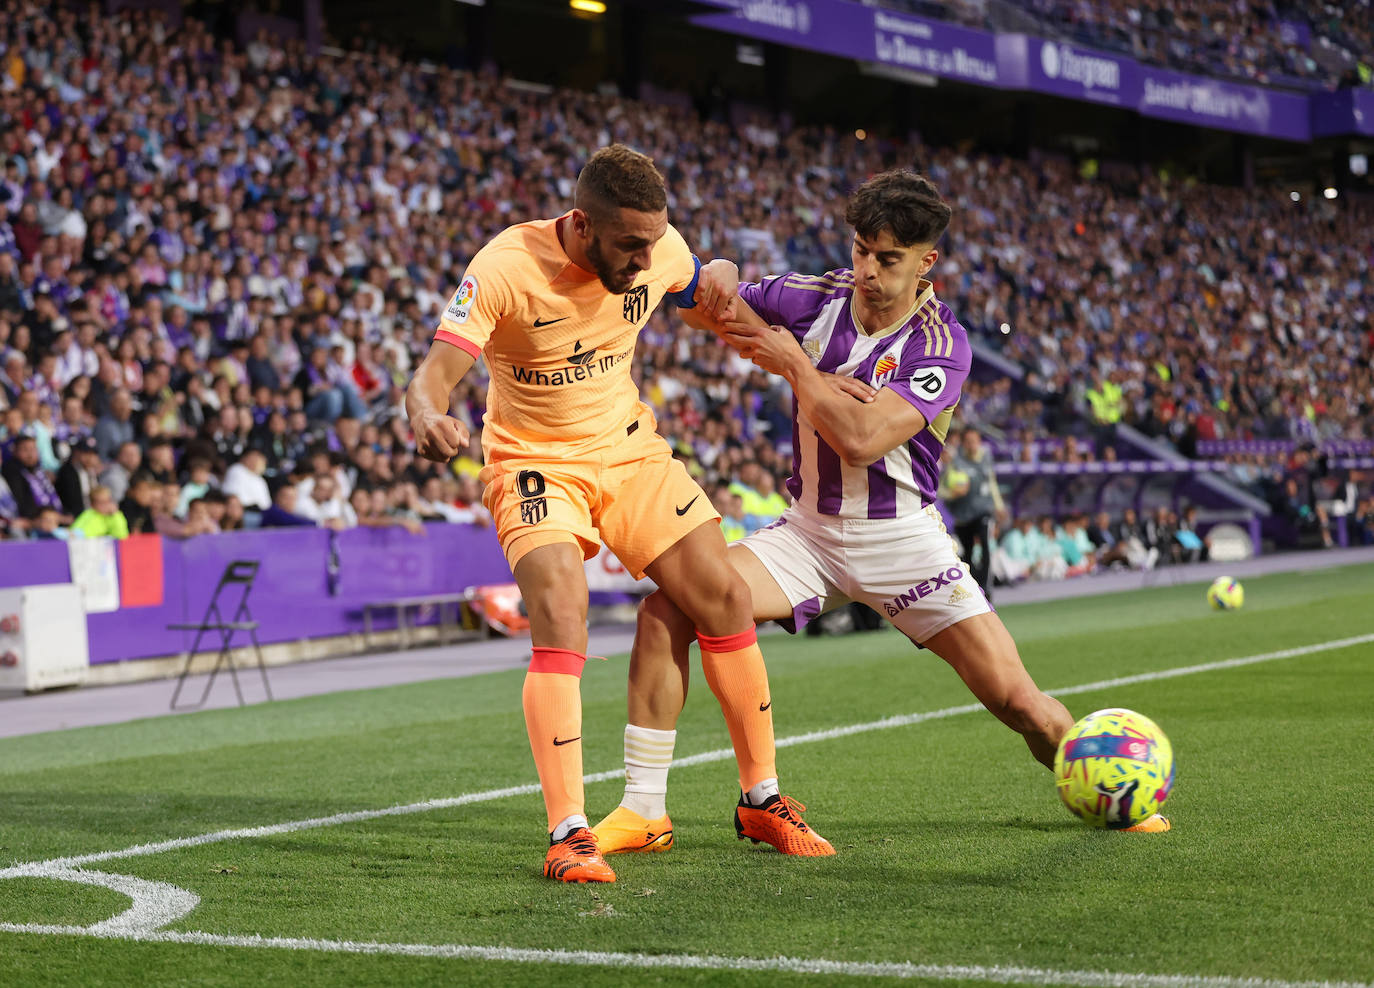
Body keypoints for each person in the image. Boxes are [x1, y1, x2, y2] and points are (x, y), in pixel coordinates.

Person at [596, 170, 1169, 854]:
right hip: (807, 533)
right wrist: (712, 274)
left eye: (888, 258)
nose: (867, 270)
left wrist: (796, 368)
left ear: (928, 262)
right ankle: (644, 810)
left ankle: (1114, 792)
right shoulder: (818, 297)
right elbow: (708, 306)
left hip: (902, 542)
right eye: (862, 249)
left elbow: (863, 439)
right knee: (667, 612)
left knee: (1019, 704)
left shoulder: (939, 343)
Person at [406, 144, 826, 884]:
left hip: (629, 450)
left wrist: (721, 277)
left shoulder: (658, 249)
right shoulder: (506, 265)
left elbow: (702, 298)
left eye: (652, 241)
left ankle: (761, 798)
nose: (643, 259)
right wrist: (427, 416)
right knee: (562, 611)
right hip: (535, 462)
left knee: (723, 596)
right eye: (628, 244)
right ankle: (569, 831)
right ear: (582, 224)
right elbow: (432, 378)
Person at [945, 428, 1005, 599]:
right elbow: (944, 489)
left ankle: (987, 591)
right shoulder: (956, 461)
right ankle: (971, 590)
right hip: (963, 516)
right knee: (967, 554)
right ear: (964, 444)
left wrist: (998, 505)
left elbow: (991, 481)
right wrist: (953, 493)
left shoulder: (986, 457)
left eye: (975, 441)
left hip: (983, 512)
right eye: (969, 441)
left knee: (986, 548)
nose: (973, 445)